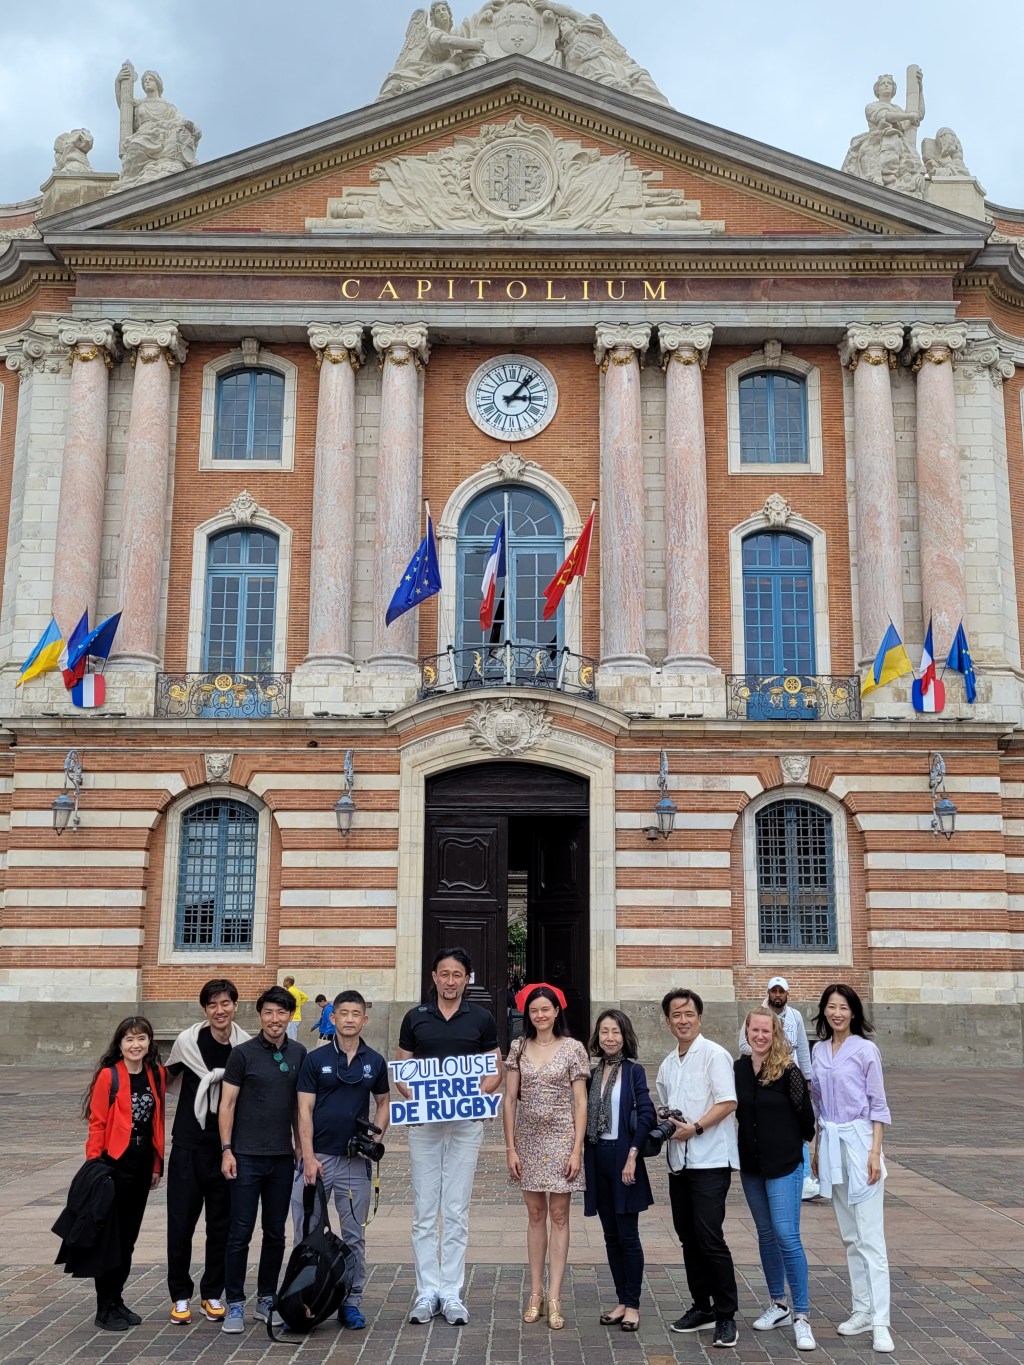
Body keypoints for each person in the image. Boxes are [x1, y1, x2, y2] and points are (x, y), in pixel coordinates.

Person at [396, 946, 501, 1326]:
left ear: (466, 979)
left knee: (455, 1209)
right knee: (425, 1210)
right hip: (425, 1123)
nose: (450, 981)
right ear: (434, 978)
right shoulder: (415, 1017)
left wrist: (475, 1099)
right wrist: (421, 1100)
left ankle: (451, 1292)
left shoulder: (482, 1018)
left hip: (465, 1124)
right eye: (444, 974)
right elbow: (402, 1070)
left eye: (457, 974)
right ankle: (427, 1291)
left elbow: (495, 1070)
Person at [293, 990, 390, 1331]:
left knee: (354, 1237)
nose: (349, 1019)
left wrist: (374, 1139)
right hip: (317, 1159)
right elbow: (303, 1109)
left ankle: (351, 1302)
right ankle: (304, 1301)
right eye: (343, 1013)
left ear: (365, 1020)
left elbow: (383, 1102)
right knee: (307, 1234)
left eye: (356, 1014)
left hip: (354, 1161)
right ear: (331, 1019)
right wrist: (307, 1156)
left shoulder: (375, 1061)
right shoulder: (314, 1059)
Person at [810, 984, 894, 1354]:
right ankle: (861, 1310)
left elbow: (878, 1103)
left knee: (871, 1238)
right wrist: (816, 1146)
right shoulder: (818, 1049)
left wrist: (875, 1152)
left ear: (854, 1012)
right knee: (849, 1236)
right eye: (831, 1007)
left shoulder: (866, 1050)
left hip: (860, 1143)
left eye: (843, 1007)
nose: (837, 1013)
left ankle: (881, 1321)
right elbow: (817, 1104)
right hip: (830, 1143)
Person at [219, 985, 307, 1334]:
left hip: (282, 1159)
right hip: (245, 1157)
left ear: (289, 1016)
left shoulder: (300, 1053)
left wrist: (303, 1147)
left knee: (275, 1233)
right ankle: (235, 1303)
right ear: (260, 1016)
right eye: (269, 1012)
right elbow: (226, 1105)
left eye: (282, 1013)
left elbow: (303, 1108)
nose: (275, 1019)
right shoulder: (242, 1054)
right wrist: (226, 1149)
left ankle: (267, 1298)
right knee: (239, 1232)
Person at [656, 988, 740, 1349]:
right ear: (668, 1021)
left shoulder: (715, 1055)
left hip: (711, 1160)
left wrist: (697, 1128)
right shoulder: (667, 1063)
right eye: (676, 1015)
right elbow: (667, 1105)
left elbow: (728, 1101)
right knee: (688, 1237)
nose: (683, 1020)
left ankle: (726, 1315)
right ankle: (701, 1307)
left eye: (689, 1014)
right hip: (679, 1164)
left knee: (709, 1237)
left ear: (700, 1017)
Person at [503, 985, 589, 1331]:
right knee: (535, 1214)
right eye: (534, 1010)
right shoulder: (517, 1047)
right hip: (528, 1139)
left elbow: (580, 1101)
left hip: (562, 1137)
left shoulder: (573, 1049)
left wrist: (576, 1148)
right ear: (528, 1014)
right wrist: (510, 1147)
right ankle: (535, 1293)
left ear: (557, 1012)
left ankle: (555, 1295)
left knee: (559, 1215)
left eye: (546, 1009)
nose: (540, 1015)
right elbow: (509, 1100)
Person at [165, 978, 249, 1325]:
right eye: (213, 1005)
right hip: (188, 1145)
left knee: (221, 1225)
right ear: (205, 1009)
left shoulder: (245, 1047)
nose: (220, 1010)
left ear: (235, 1006)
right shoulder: (187, 1042)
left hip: (227, 1149)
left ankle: (212, 1293)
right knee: (180, 1224)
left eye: (226, 1003)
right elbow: (164, 1080)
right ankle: (180, 1296)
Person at [735, 1008, 817, 1351]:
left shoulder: (789, 1070)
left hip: (783, 1165)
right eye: (755, 1030)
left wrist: (789, 1148)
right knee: (766, 1236)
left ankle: (802, 1315)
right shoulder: (739, 1068)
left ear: (776, 1033)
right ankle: (778, 1304)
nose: (760, 1036)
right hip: (752, 1167)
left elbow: (807, 1121)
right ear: (747, 1032)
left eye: (766, 1030)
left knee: (787, 1234)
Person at [82, 1016, 166, 1332]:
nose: (135, 1045)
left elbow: (157, 1121)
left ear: (149, 1043)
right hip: (113, 1164)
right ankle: (104, 1307)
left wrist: (158, 1164)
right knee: (110, 1240)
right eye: (129, 1039)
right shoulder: (109, 1076)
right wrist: (95, 1167)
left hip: (142, 1164)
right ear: (120, 1044)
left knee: (128, 1239)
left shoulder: (155, 1074)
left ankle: (116, 1300)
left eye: (141, 1038)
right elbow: (97, 1123)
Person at [583, 1008, 656, 1334]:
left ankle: (633, 1305)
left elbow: (646, 1116)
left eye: (615, 1032)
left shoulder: (634, 1071)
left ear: (625, 1036)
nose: (609, 1038)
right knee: (610, 1236)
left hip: (623, 1157)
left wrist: (632, 1156)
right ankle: (620, 1300)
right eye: (604, 1032)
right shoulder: (592, 1073)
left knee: (628, 1235)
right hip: (597, 1157)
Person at [737, 976, 817, 1199]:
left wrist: (807, 1077)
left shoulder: (795, 1016)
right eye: (774, 991)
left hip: (789, 1076)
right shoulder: (757, 1014)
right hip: (762, 1075)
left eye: (781, 991)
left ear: (787, 994)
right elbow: (743, 1043)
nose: (778, 995)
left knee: (794, 1126)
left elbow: (802, 1047)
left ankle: (805, 1177)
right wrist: (767, 1046)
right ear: (768, 992)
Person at [282, 975, 308, 1041]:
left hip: (292, 1018)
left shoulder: (290, 991)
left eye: (284, 981)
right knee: (292, 1037)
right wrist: (299, 1004)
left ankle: (292, 1051)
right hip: (296, 1017)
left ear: (288, 982)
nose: (283, 982)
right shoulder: (296, 990)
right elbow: (305, 997)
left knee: (291, 1039)